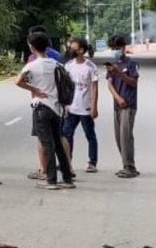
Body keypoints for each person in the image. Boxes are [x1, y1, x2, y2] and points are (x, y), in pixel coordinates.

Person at [15, 31, 75, 190]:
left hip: (41, 107)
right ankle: (67, 178)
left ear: (32, 47)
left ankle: (51, 179)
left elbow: (18, 81)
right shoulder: (56, 64)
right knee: (58, 143)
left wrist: (34, 89)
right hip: (57, 108)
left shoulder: (32, 65)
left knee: (47, 144)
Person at [62, 37, 99, 173]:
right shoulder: (68, 65)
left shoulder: (90, 67)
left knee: (90, 135)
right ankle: (67, 161)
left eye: (74, 48)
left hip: (86, 107)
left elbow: (94, 87)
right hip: (71, 107)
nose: (70, 50)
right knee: (67, 135)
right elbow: (65, 86)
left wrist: (94, 107)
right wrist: (65, 104)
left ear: (81, 50)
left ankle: (92, 162)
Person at [106, 34, 140, 178]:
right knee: (118, 137)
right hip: (117, 104)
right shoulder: (112, 64)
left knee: (126, 136)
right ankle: (125, 164)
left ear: (123, 47)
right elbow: (109, 84)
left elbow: (133, 82)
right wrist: (118, 98)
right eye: (112, 48)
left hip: (129, 104)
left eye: (117, 48)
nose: (115, 51)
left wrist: (118, 73)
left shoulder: (131, 63)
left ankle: (130, 167)